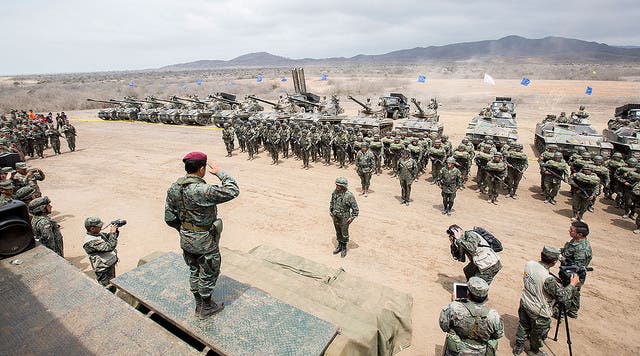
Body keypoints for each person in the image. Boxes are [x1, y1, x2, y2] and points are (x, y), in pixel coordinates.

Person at [164, 151, 240, 318]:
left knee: (194, 270)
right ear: (202, 169)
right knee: (209, 271)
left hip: (186, 239)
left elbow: (169, 218)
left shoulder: (174, 188)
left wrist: (185, 230)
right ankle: (205, 307)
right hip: (205, 241)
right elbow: (233, 190)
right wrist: (220, 172)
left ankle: (199, 304)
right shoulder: (203, 190)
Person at [513, 246, 579, 356]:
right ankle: (534, 351)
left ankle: (518, 346)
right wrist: (572, 285)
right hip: (539, 310)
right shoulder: (548, 279)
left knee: (523, 325)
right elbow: (562, 296)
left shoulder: (530, 264)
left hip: (525, 301)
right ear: (554, 262)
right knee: (537, 333)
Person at [439, 277, 504, 356]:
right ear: (486, 297)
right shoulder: (494, 316)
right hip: (481, 353)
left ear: (468, 293)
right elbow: (498, 334)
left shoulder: (454, 308)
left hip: (455, 351)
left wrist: (455, 303)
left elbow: (444, 326)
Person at [559, 221, 592, 319]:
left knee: (568, 292)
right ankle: (573, 311)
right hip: (568, 272)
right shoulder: (575, 241)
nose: (569, 231)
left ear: (580, 234)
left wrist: (562, 259)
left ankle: (561, 313)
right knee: (575, 292)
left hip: (574, 275)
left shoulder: (582, 249)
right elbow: (570, 251)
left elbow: (577, 267)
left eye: (571, 230)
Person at [83, 217, 120, 292]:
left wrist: (116, 229)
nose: (101, 227)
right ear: (92, 229)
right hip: (103, 269)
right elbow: (110, 246)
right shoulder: (90, 242)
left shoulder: (97, 234)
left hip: (108, 265)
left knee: (112, 286)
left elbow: (110, 238)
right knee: (106, 289)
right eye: (99, 226)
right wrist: (112, 232)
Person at [329, 177, 359, 258]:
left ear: (343, 186)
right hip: (335, 216)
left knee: (344, 233)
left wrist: (352, 217)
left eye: (339, 185)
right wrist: (331, 211)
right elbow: (332, 201)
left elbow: (355, 209)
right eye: (336, 184)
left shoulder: (349, 195)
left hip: (344, 217)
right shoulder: (335, 192)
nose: (337, 186)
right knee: (338, 231)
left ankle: (344, 247)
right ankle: (339, 245)